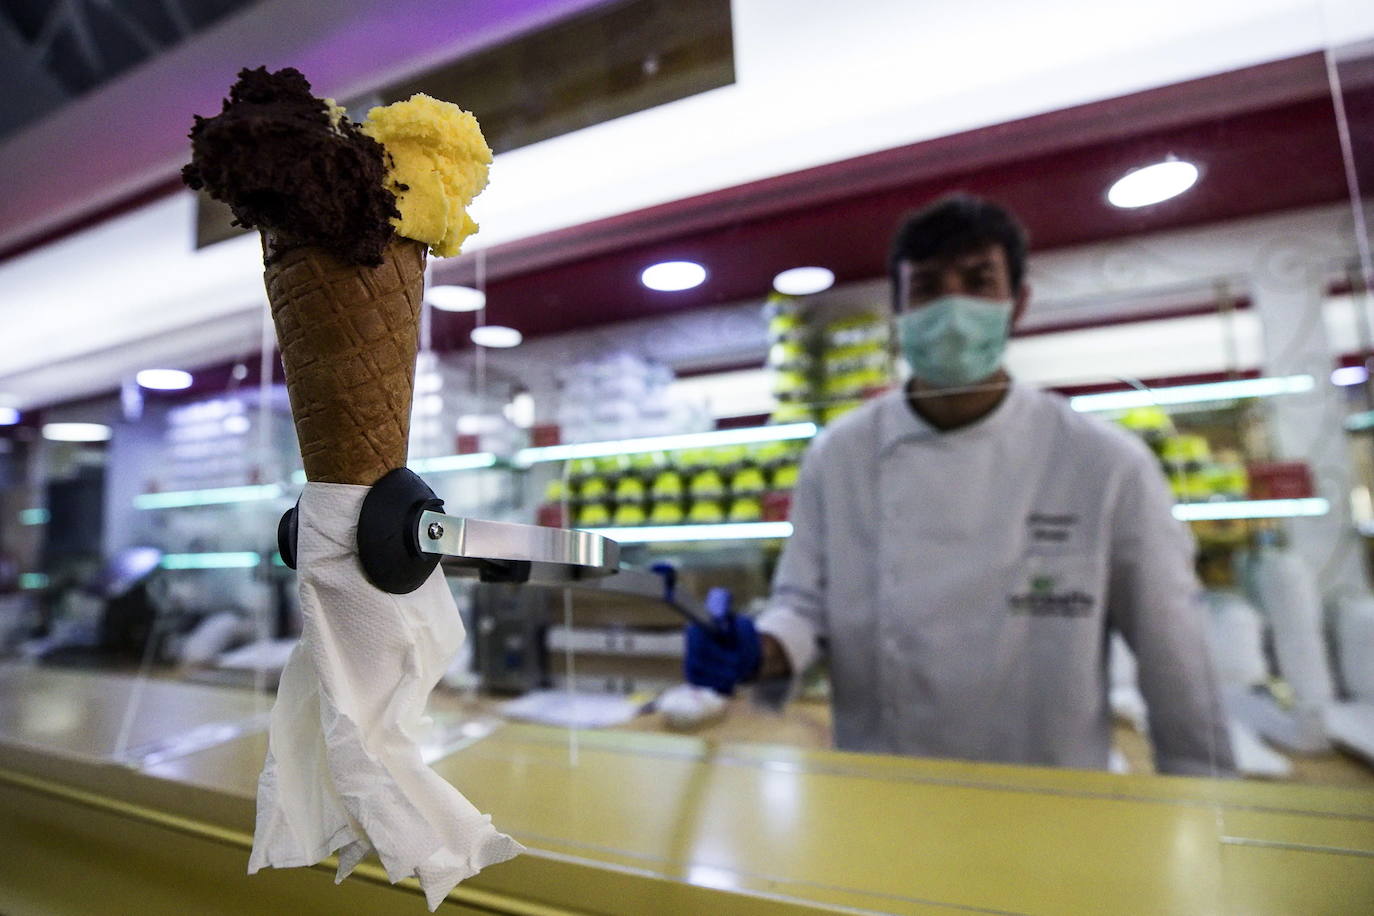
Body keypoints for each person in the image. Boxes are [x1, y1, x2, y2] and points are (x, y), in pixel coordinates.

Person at [686, 194, 1234, 775]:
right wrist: (759, 648)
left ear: (1017, 303)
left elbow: (1174, 654)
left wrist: (1207, 799)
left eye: (978, 281)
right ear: (899, 313)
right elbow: (804, 606)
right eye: (926, 287)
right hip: (886, 787)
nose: (952, 308)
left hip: (1053, 797)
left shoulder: (1103, 462)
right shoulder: (839, 456)